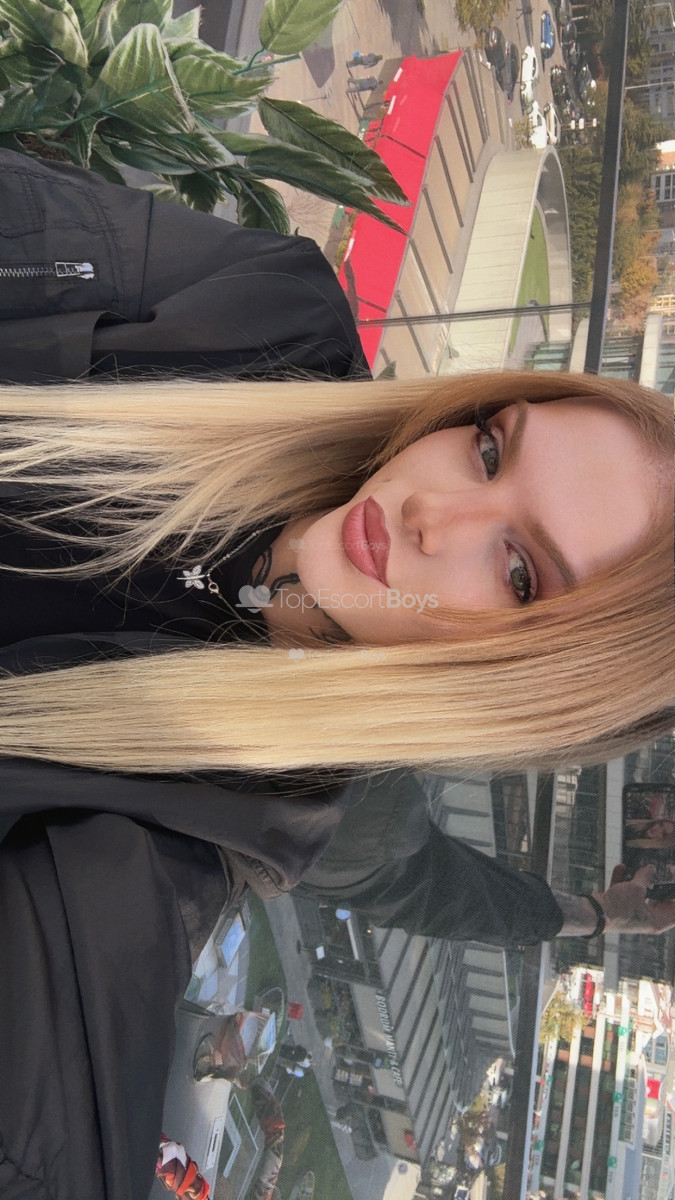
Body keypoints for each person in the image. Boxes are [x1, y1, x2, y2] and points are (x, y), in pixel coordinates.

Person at [0, 147, 673, 1200]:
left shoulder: (232, 814)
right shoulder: (264, 320)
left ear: (516, 690)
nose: (432, 511)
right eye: (489, 450)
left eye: (518, 574)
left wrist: (587, 915)